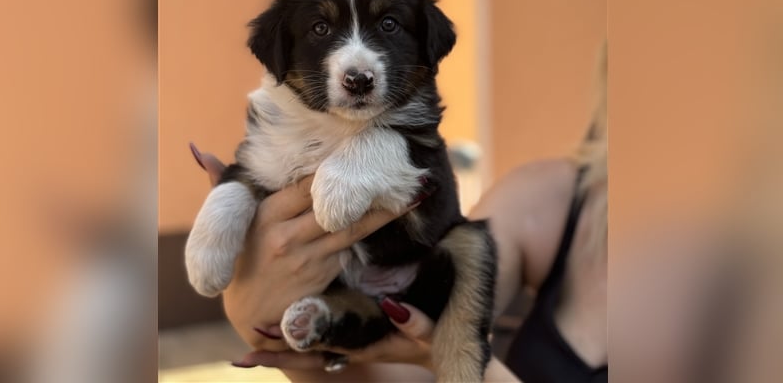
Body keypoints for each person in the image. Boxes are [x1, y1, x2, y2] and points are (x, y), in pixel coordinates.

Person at [191, 46, 607, 382]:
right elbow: (401, 371)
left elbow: (434, 361)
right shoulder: (547, 199)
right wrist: (279, 321)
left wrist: (463, 367)